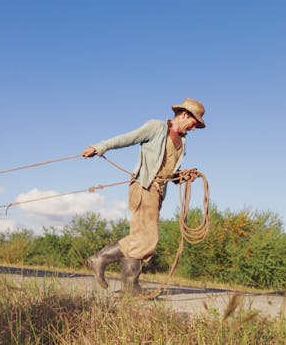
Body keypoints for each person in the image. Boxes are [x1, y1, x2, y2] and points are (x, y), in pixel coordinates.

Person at [82, 98, 206, 295]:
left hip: (157, 192)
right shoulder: (156, 127)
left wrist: (181, 177)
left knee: (141, 237)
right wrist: (100, 146)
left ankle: (130, 286)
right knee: (147, 238)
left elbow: (168, 171)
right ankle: (101, 259)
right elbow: (128, 138)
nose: (193, 128)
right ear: (184, 115)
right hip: (144, 186)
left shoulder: (181, 143)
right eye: (194, 123)